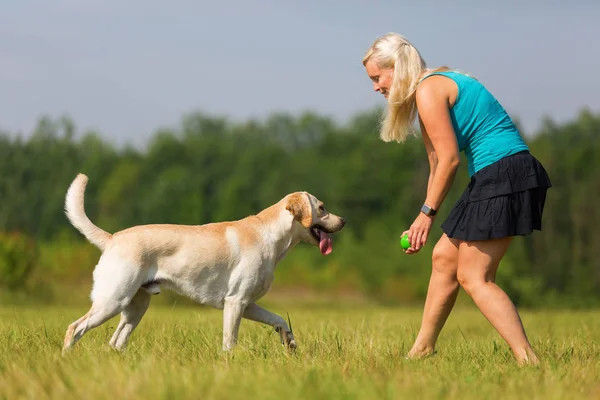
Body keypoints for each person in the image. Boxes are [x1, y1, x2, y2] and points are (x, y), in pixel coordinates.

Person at [362, 32, 552, 364]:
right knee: (445, 259)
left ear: (397, 67)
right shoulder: (429, 92)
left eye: (378, 77)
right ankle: (422, 348)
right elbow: (437, 162)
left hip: (505, 173)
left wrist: (427, 213)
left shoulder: (429, 90)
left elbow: (450, 159)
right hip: (494, 174)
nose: (376, 87)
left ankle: (528, 360)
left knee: (474, 276)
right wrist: (422, 217)